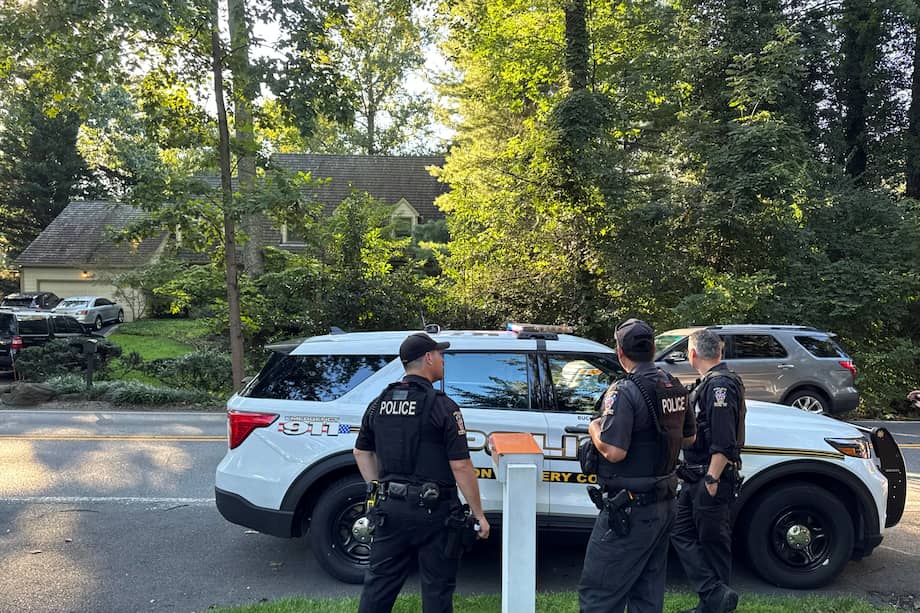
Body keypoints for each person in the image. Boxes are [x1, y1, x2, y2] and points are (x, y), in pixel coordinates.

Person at [353, 332, 490, 613]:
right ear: (428, 358)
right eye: (440, 355)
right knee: (437, 589)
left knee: (378, 587)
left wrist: (377, 489)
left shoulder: (380, 402)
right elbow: (460, 465)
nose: (443, 359)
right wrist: (479, 514)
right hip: (435, 514)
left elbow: (361, 451)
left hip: (389, 510)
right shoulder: (442, 406)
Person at [578, 318, 696, 613]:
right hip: (663, 504)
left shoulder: (624, 391)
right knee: (646, 594)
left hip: (629, 511)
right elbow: (690, 438)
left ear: (620, 353)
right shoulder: (673, 385)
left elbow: (615, 451)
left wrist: (594, 427)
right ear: (654, 348)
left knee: (600, 595)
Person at [672, 329, 746, 613]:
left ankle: (713, 605)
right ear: (720, 351)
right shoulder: (707, 383)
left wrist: (712, 478)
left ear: (692, 354)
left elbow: (724, 440)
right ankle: (714, 596)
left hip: (710, 477)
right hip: (695, 476)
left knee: (714, 545)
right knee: (680, 532)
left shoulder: (720, 386)